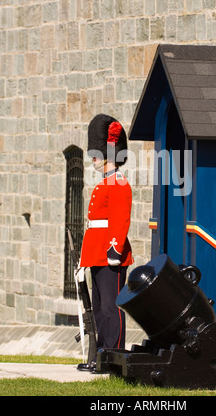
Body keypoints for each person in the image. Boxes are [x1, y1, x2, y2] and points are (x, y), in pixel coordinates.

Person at [80, 114, 134, 369]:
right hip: (96, 251)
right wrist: (85, 257)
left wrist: (115, 248)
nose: (93, 158)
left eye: (97, 153)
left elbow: (119, 219)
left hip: (110, 252)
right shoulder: (105, 184)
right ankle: (101, 355)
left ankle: (113, 356)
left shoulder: (119, 183)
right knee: (100, 307)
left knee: (112, 308)